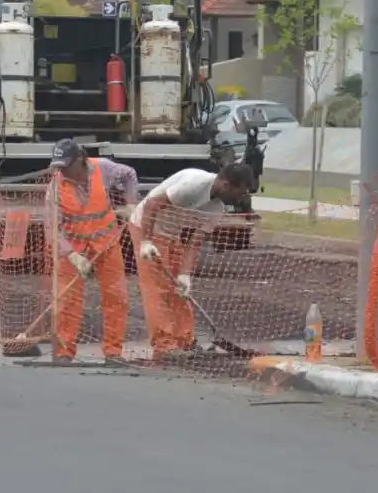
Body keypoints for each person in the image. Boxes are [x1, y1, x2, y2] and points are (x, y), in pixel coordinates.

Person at [129, 163, 253, 359]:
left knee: (180, 291)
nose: (240, 198)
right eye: (240, 192)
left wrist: (185, 274)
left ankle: (184, 341)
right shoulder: (194, 185)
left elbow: (195, 243)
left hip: (171, 233)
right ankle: (165, 346)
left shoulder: (217, 208)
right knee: (157, 289)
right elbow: (152, 204)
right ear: (226, 185)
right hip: (147, 227)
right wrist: (145, 241)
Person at [49, 139, 140, 365]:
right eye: (58, 165)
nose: (62, 170)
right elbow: (52, 227)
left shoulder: (102, 168)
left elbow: (129, 174)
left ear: (80, 159)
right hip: (73, 247)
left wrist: (130, 204)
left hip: (107, 242)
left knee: (116, 297)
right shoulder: (55, 186)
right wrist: (72, 255)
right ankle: (64, 352)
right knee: (67, 299)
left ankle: (113, 351)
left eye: (66, 165)